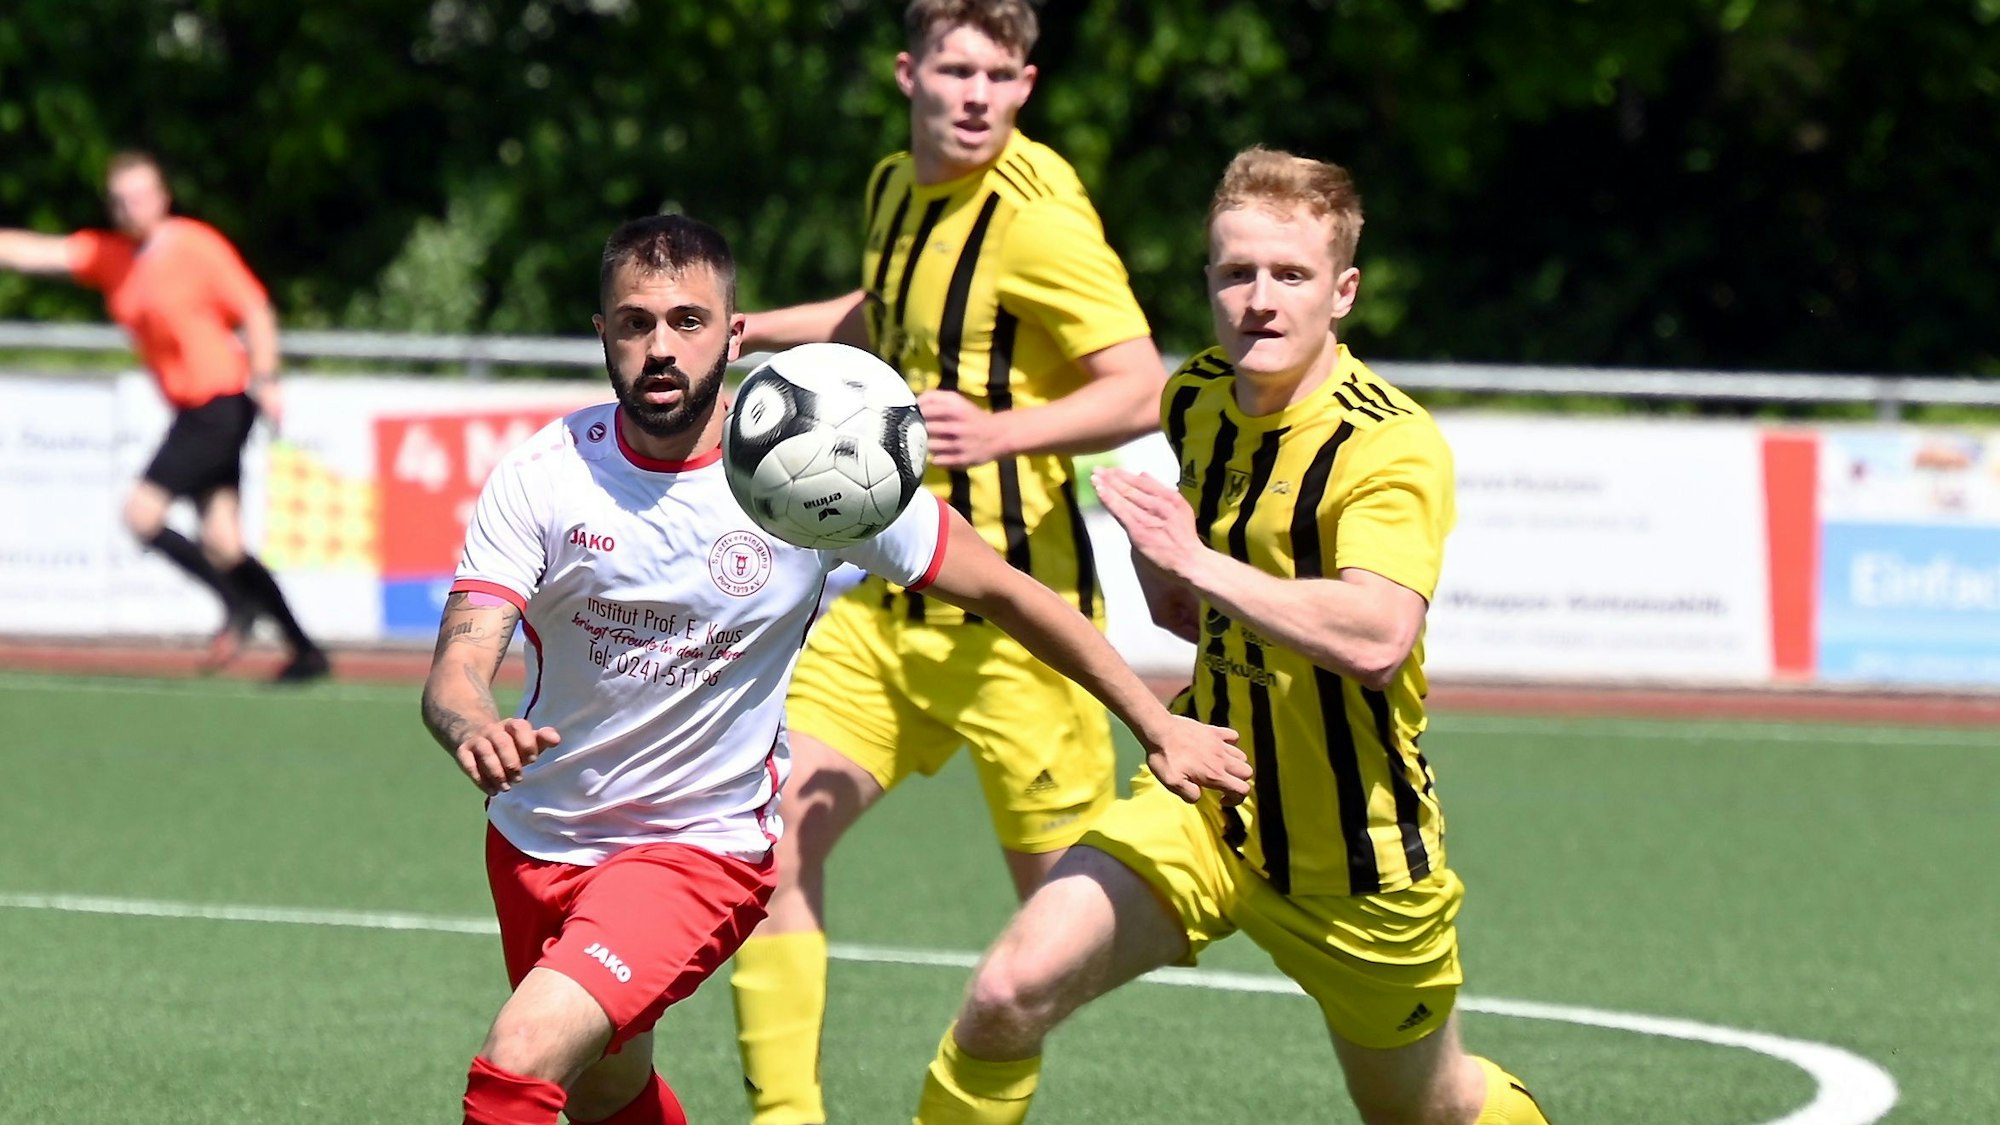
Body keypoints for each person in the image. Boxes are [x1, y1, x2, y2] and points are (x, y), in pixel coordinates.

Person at [420, 213, 1248, 1125]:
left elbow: (1013, 594)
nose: (661, 347)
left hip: (699, 847)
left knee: (521, 1057)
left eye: (689, 322)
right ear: (603, 335)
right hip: (539, 837)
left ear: (736, 336)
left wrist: (1157, 721)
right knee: (606, 1088)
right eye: (635, 322)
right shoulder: (545, 474)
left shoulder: (810, 467)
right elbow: (460, 662)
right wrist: (474, 722)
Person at [910, 148, 1552, 1125]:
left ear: (1341, 293)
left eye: (1288, 276)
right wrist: (1158, 565)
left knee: (1433, 1109)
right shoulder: (1196, 398)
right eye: (1234, 273)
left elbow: (1378, 635)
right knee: (1005, 996)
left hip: (1357, 857)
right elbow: (1192, 609)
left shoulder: (1387, 442)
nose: (1258, 299)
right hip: (1204, 798)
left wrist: (1197, 561)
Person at [728, 4, 1174, 1120]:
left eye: (1000, 74)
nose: (976, 94)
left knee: (1060, 942)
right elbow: (890, 311)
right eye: (955, 69)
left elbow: (1141, 384)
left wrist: (1004, 431)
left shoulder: (1039, 217)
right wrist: (751, 331)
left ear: (1026, 85)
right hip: (886, 604)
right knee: (765, 835)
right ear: (907, 74)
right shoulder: (892, 185)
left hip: (1017, 633)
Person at [0, 150, 328, 681]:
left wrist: (266, 378)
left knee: (141, 514)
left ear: (163, 196)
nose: (131, 207)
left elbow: (254, 308)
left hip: (219, 405)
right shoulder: (113, 256)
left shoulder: (194, 246)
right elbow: (38, 252)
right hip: (194, 411)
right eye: (120, 199)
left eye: (140, 195)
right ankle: (306, 652)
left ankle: (236, 605)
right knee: (224, 543)